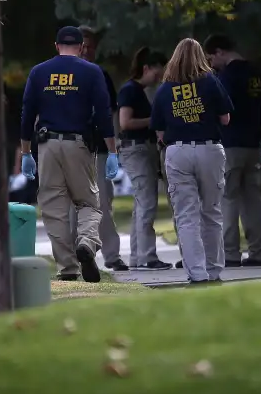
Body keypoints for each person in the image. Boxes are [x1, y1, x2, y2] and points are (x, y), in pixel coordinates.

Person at [20, 26, 118, 283]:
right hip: (78, 144)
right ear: (82, 47)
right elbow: (104, 114)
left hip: (46, 146)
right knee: (88, 202)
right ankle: (86, 241)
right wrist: (112, 150)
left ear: (56, 46)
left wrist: (25, 152)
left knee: (54, 208)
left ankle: (68, 268)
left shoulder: (39, 72)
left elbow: (27, 113)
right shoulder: (92, 72)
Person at [151, 38, 233, 284]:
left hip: (177, 151)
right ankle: (214, 268)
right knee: (212, 212)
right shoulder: (210, 82)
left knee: (186, 216)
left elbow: (159, 131)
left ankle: (196, 273)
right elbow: (226, 118)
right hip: (209, 149)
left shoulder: (165, 89)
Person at [64, 25, 127, 271]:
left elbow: (111, 114)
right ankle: (73, 257)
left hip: (99, 147)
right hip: (71, 147)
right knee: (73, 205)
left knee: (103, 202)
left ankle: (111, 255)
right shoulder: (63, 76)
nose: (87, 50)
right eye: (83, 46)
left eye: (91, 46)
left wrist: (114, 147)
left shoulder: (101, 75)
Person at [204, 34, 261, 267]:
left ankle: (230, 253)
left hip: (230, 143)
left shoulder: (225, 77)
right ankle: (258, 251)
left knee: (228, 198)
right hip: (253, 142)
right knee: (252, 199)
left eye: (211, 57)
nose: (211, 63)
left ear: (220, 51)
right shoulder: (255, 73)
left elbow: (220, 110)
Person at [117, 47, 172, 270]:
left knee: (141, 204)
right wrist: (154, 120)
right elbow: (125, 123)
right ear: (146, 68)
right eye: (157, 74)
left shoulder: (140, 91)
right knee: (147, 202)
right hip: (135, 149)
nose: (158, 80)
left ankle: (137, 256)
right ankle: (147, 256)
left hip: (144, 148)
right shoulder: (130, 90)